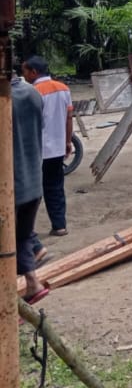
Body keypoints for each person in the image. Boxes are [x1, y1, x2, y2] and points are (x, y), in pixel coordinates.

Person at [21, 55, 73, 241]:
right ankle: (59, 226)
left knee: (31, 191)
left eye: (25, 71)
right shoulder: (63, 88)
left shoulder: (31, 92)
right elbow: (69, 117)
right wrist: (68, 142)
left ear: (34, 72)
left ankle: (26, 231)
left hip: (37, 150)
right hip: (57, 148)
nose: (23, 75)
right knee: (55, 187)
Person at [11, 69, 47, 303]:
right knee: (22, 236)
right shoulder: (32, 92)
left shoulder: (5, 99)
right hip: (33, 182)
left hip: (9, 187)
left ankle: (7, 304)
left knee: (7, 243)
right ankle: (33, 283)